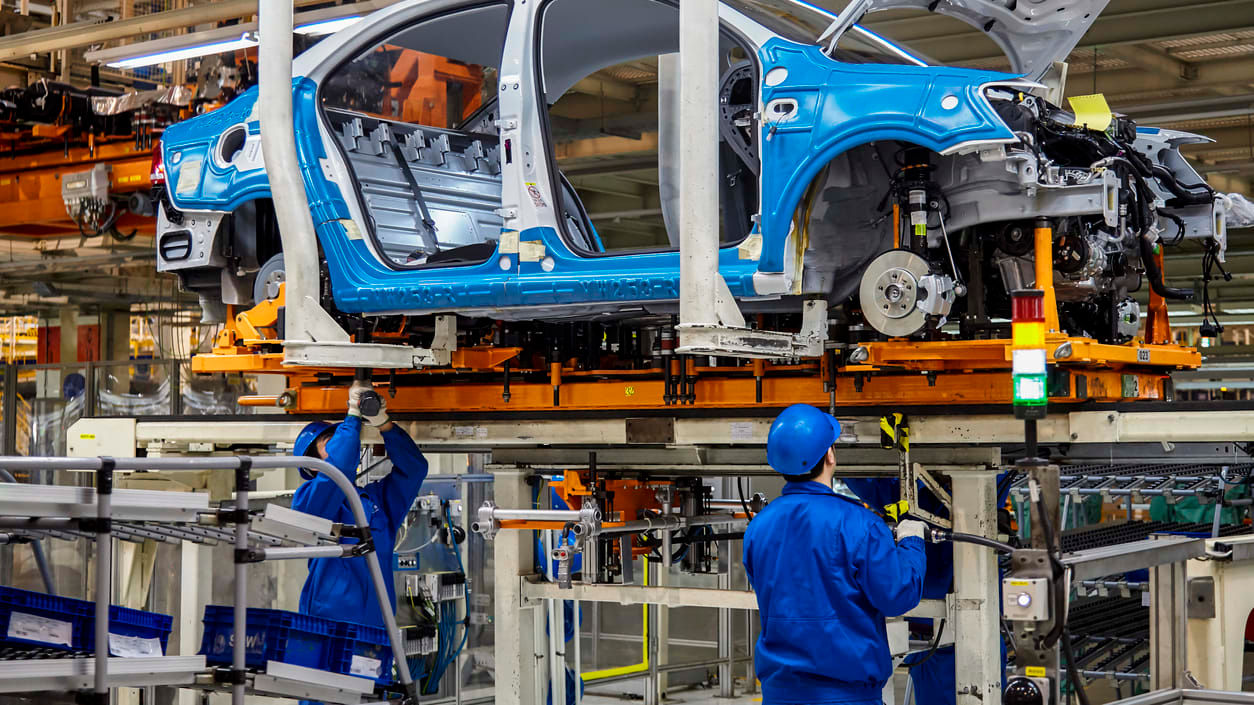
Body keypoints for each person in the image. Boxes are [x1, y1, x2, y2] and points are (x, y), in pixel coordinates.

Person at [744, 404, 928, 705]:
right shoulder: (860, 524)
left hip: (779, 695)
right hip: (847, 696)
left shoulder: (759, 526)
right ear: (830, 455)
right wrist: (911, 541)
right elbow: (897, 596)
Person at [844, 472, 1012, 705]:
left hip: (967, 634)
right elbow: (859, 475)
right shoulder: (910, 494)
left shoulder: (977, 483)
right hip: (928, 640)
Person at [292, 381, 428, 630]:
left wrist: (383, 423)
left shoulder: (373, 501)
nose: (340, 443)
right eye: (327, 441)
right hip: (329, 628)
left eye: (339, 437)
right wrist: (353, 414)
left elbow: (415, 469)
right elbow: (340, 466)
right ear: (312, 465)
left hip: (377, 627)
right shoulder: (308, 502)